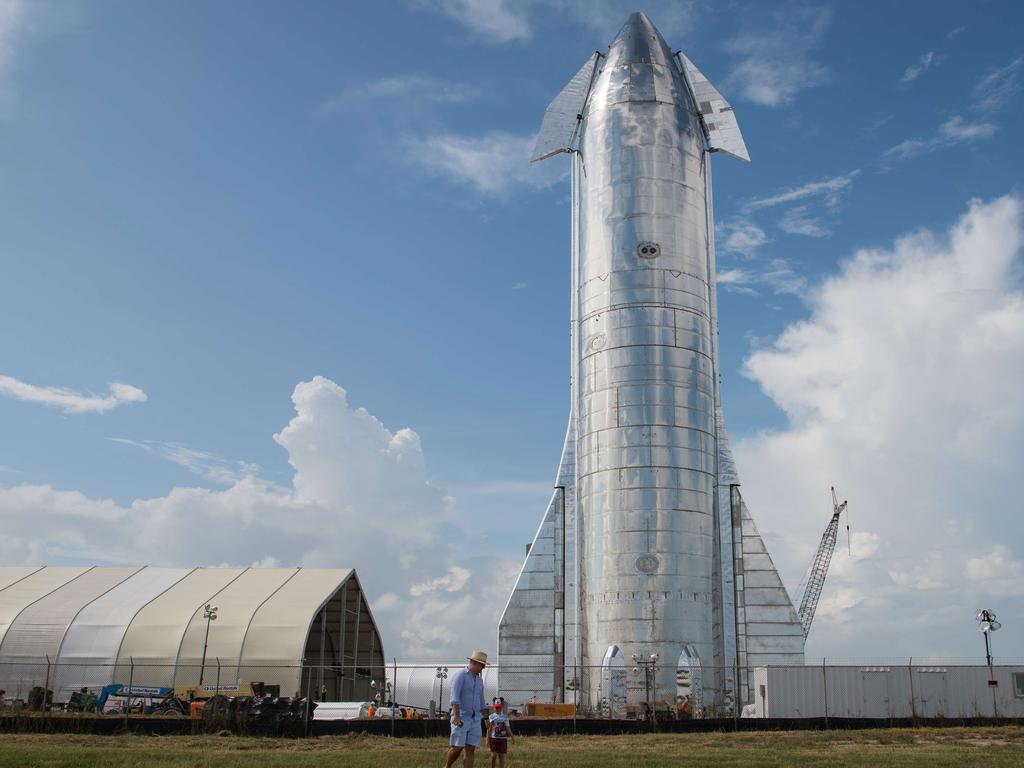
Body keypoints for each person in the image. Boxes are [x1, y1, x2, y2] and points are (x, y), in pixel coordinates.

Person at [443, 650, 489, 768]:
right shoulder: (460, 676)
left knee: (471, 749)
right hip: (461, 717)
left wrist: (486, 718)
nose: (483, 668)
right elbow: (455, 698)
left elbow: (482, 701)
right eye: (481, 665)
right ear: (473, 662)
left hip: (475, 719)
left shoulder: (479, 681)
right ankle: (447, 766)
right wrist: (457, 716)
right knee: (457, 747)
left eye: (484, 665)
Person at [486, 697, 513, 768]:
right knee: (493, 756)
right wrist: (487, 740)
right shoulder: (491, 717)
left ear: (502, 707)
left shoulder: (505, 717)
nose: (498, 709)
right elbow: (489, 729)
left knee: (501, 756)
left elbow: (508, 728)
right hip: (493, 739)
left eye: (499, 707)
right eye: (496, 707)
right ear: (493, 707)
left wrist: (512, 737)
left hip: (503, 739)